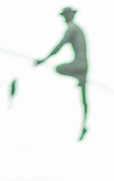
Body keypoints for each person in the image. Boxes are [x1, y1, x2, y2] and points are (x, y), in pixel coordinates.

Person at [35, 6, 89, 140]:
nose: (65, 18)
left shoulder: (72, 29)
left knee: (58, 68)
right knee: (84, 100)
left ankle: (77, 76)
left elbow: (59, 46)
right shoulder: (77, 29)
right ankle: (84, 125)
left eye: (66, 15)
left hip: (79, 66)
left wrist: (43, 60)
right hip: (84, 66)